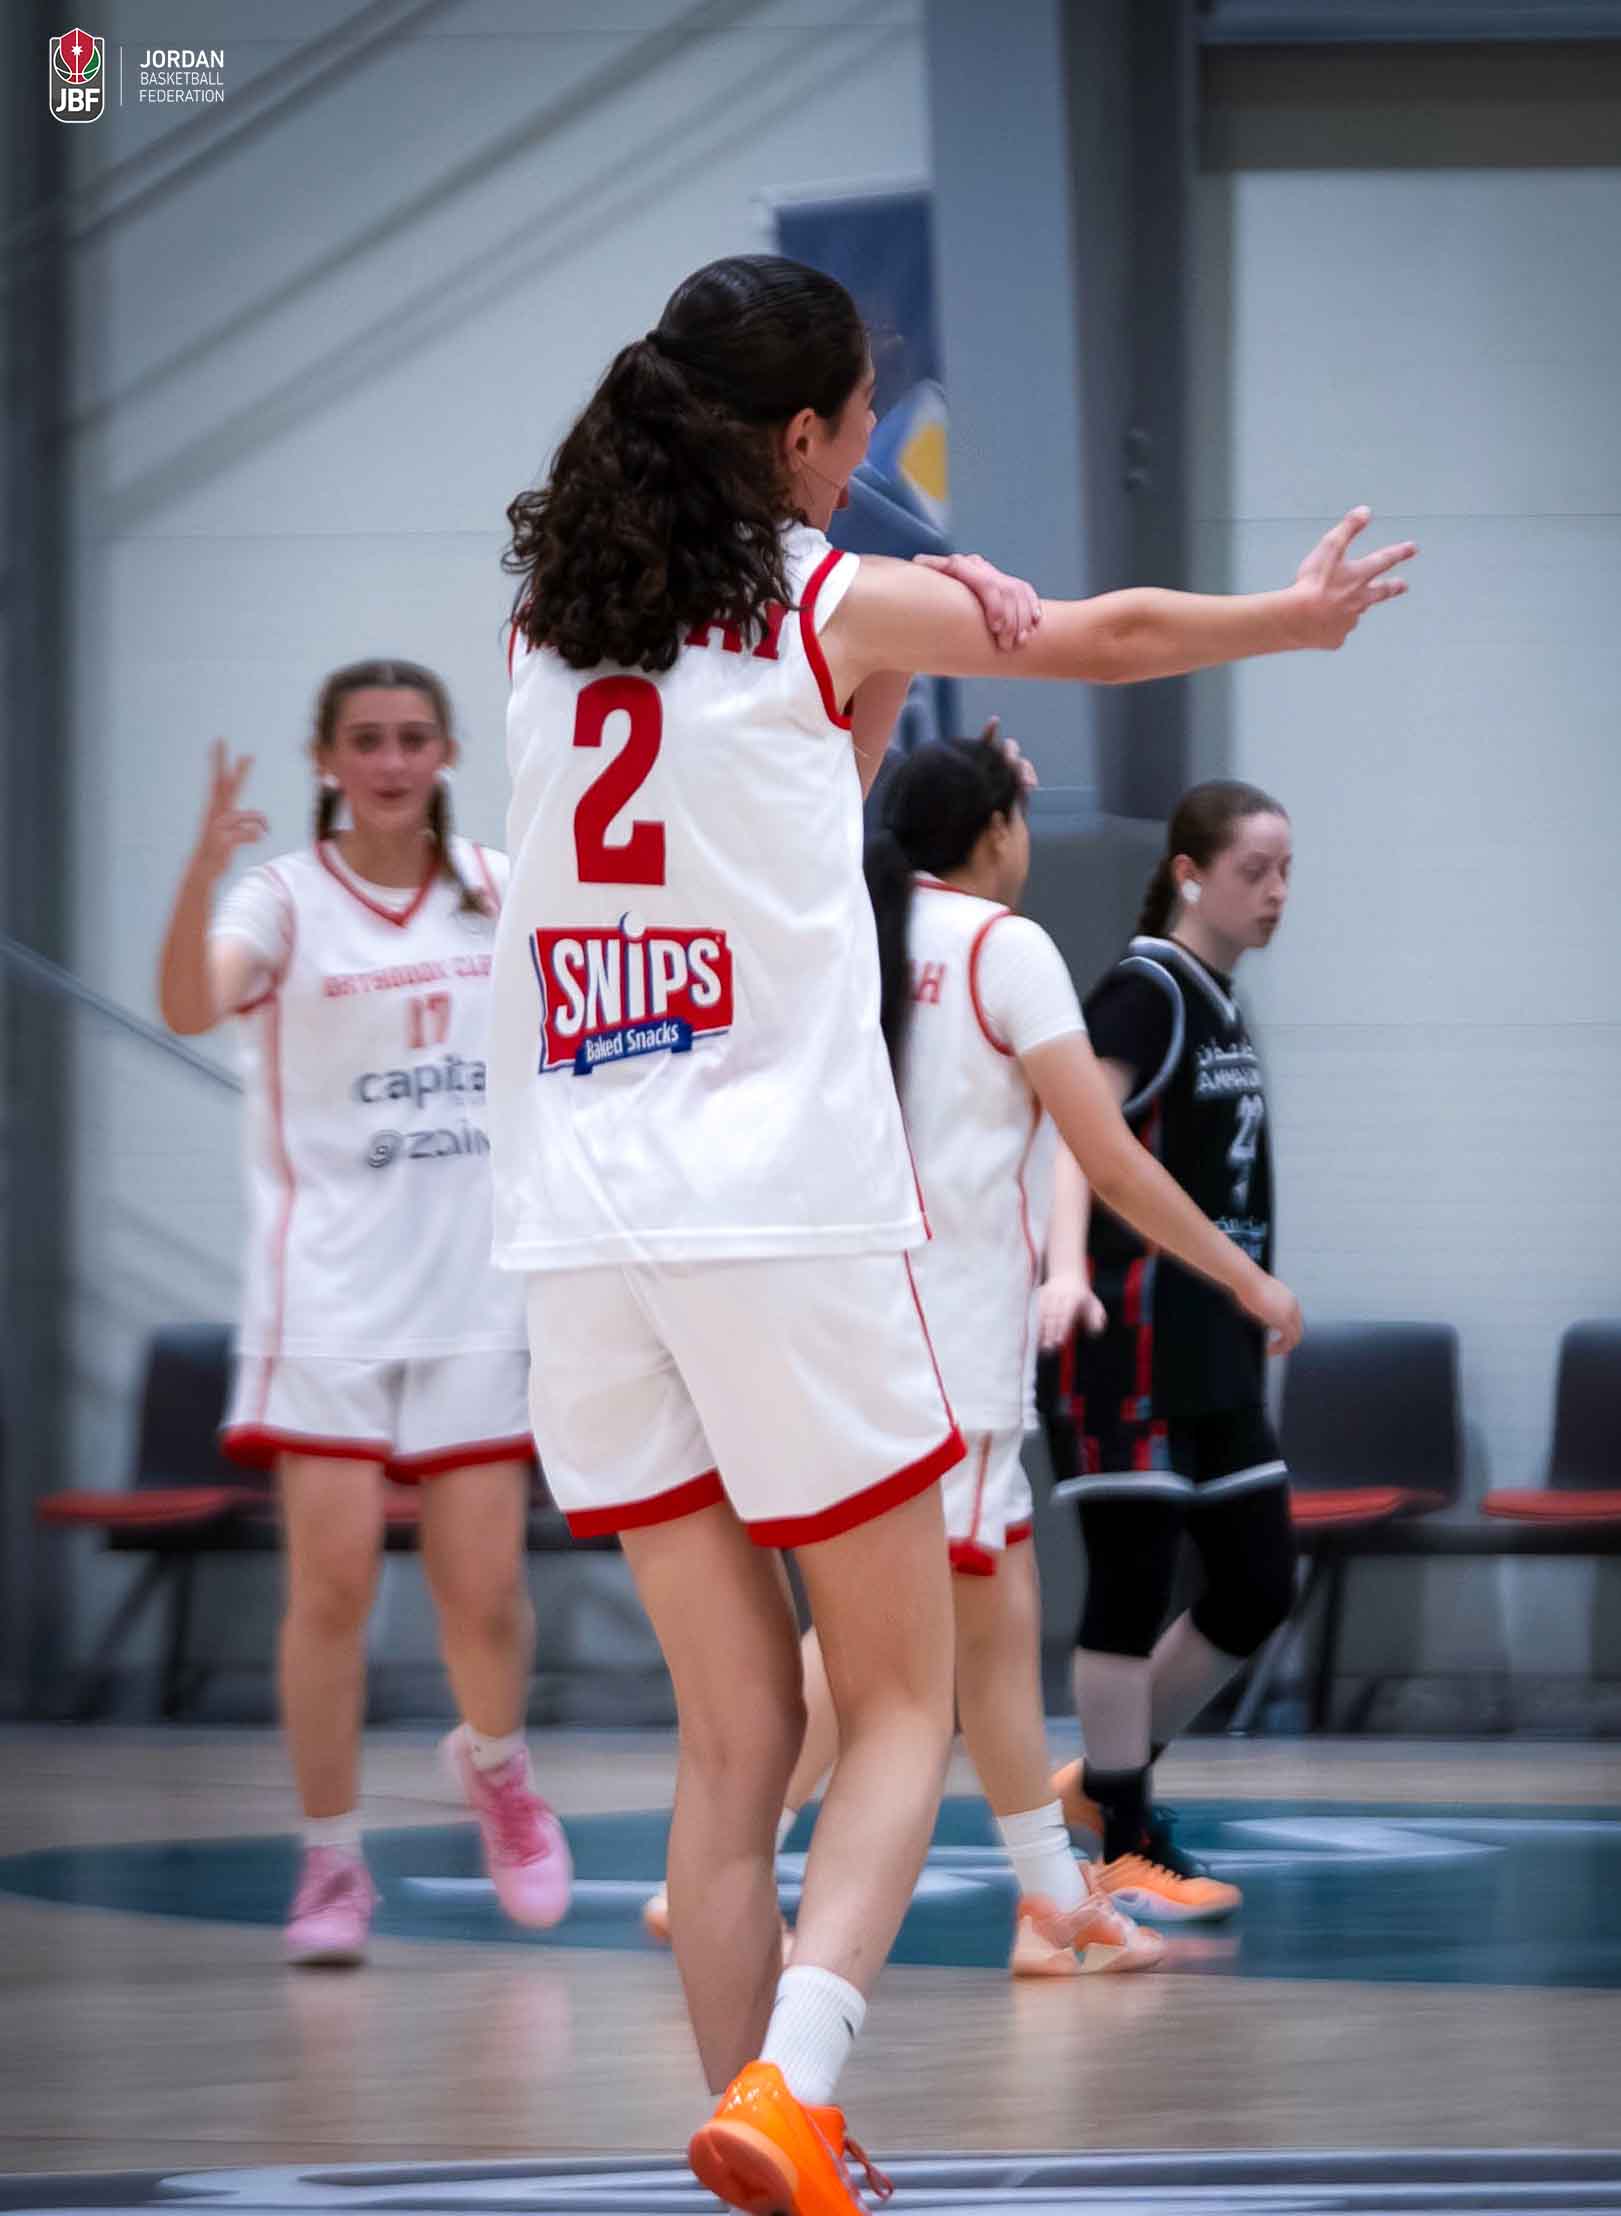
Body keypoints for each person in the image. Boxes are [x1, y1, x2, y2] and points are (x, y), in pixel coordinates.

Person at [493, 252, 1412, 2216]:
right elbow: (1107, 633)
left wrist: (900, 642)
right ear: (803, 436)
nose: (854, 463)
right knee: (900, 1696)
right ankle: (800, 2081)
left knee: (734, 1732)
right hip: (772, 1208)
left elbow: (785, 795)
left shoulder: (545, 628)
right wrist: (1294, 620)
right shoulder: (825, 593)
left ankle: (767, 2131)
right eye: (850, 427)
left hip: (574, 1227)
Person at [642, 728, 1299, 1978]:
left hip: (832, 1323)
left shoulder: (837, 929)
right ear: (998, 832)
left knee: (991, 1632)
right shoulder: (1006, 947)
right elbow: (1110, 1156)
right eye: (1019, 816)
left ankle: (1053, 1901)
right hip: (943, 1343)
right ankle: (723, 1858)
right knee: (889, 1640)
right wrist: (1242, 1272)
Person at [156, 660, 572, 1969]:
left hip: (473, 1287)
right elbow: (190, 1001)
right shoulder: (279, 899)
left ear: (446, 753)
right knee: (329, 1588)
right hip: (327, 1291)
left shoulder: (500, 886)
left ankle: (496, 1764)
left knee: (483, 1594)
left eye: (411, 738)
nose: (390, 761)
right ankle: (331, 1860)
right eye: (366, 740)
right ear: (326, 759)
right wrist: (197, 870)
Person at [1040, 781, 1299, 1924]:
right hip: (1126, 1329)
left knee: (1258, 1579)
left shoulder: (1221, 1002)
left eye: (1286, 869)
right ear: (1190, 873)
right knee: (1133, 1577)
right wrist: (1062, 1267)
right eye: (1254, 869)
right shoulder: (1144, 988)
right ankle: (1124, 1832)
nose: (1277, 890)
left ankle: (1109, 1778)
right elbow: (1077, 1136)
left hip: (1212, 1342)